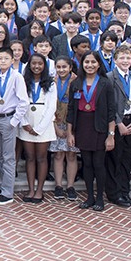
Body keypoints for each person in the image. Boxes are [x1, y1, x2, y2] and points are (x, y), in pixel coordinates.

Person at [66, 51, 116, 211]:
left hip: (99, 127)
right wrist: (69, 133)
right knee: (87, 164)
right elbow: (71, 110)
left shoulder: (105, 83)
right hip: (82, 127)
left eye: (93, 62)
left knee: (99, 164)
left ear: (99, 64)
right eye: (86, 62)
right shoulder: (76, 83)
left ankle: (100, 198)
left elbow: (111, 111)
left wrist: (111, 135)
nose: (90, 65)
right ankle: (89, 197)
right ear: (82, 64)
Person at [0, 48, 29, 206]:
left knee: (9, 157)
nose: (3, 61)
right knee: (0, 156)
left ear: (13, 60)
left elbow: (24, 102)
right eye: (0, 58)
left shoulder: (17, 77)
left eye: (6, 58)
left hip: (8, 119)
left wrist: (14, 121)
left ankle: (7, 192)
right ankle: (3, 184)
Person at [105, 45, 131, 208]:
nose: (125, 61)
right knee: (115, 159)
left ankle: (125, 192)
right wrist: (118, 123)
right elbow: (109, 104)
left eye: (128, 58)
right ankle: (114, 193)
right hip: (117, 122)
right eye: (122, 58)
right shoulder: (110, 77)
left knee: (127, 159)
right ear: (115, 60)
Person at [19, 53, 57, 203]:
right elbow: (19, 102)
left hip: (43, 122)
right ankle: (30, 189)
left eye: (40, 64)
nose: (36, 66)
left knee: (41, 157)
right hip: (27, 120)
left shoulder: (50, 83)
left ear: (44, 66)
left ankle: (39, 190)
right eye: (33, 63)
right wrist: (25, 123)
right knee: (29, 157)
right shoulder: (23, 81)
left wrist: (40, 128)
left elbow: (51, 107)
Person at [50, 56, 79, 200]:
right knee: (58, 154)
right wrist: (55, 126)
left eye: (64, 67)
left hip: (72, 124)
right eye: (59, 67)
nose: (61, 70)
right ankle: (59, 185)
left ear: (70, 68)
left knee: (71, 155)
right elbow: (48, 106)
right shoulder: (51, 82)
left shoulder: (77, 82)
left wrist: (69, 130)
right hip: (55, 123)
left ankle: (71, 186)